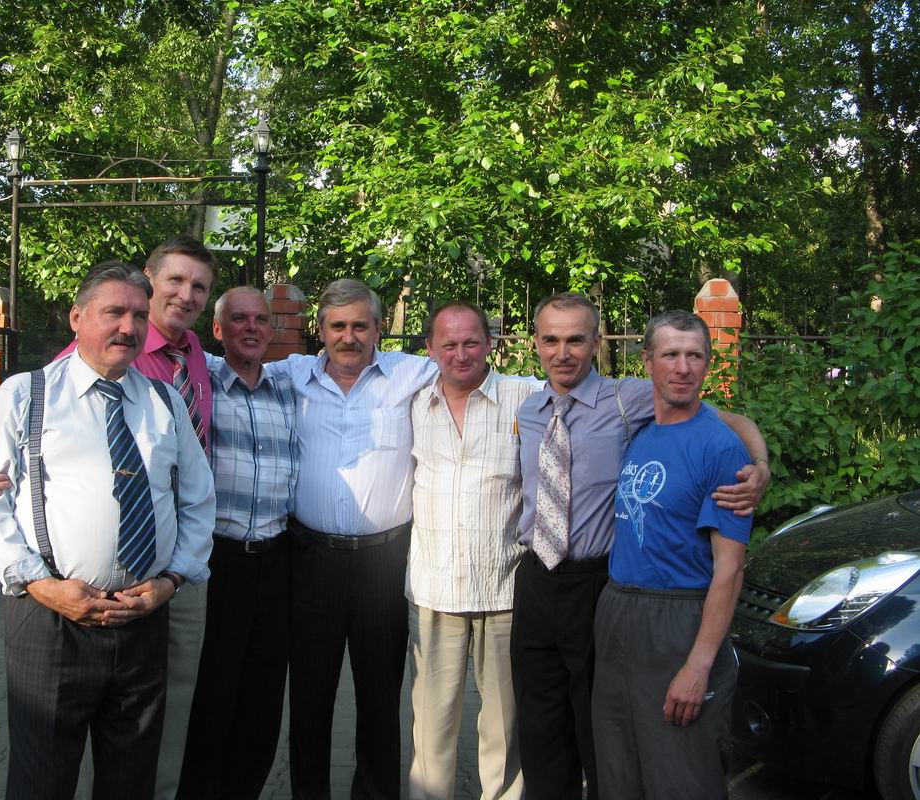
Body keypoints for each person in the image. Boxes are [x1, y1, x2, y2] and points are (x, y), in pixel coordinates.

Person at [0, 235, 217, 800]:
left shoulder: (165, 400)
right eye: (113, 313)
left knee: (130, 780)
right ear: (77, 318)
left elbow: (199, 500)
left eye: (138, 315)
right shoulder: (26, 395)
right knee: (42, 780)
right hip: (50, 619)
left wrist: (172, 581)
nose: (128, 327)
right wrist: (41, 584)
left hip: (142, 618)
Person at [511, 293, 770, 800]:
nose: (563, 352)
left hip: (598, 581)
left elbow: (728, 421)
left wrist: (759, 466)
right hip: (540, 581)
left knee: (611, 740)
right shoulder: (527, 406)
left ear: (597, 343)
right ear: (535, 344)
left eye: (576, 340)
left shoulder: (626, 400)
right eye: (551, 340)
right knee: (544, 733)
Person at [261, 278, 438, 800]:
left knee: (380, 697)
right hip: (310, 560)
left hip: (383, 563)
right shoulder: (290, 375)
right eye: (337, 326)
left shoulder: (411, 373)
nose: (348, 336)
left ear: (379, 329)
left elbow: (473, 369)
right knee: (309, 695)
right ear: (319, 330)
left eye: (360, 325)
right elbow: (223, 370)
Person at [591, 311, 752, 799]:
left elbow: (730, 567)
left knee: (682, 776)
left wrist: (699, 665)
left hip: (680, 619)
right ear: (647, 361)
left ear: (707, 364)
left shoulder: (721, 449)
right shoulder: (638, 431)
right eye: (670, 355)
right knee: (619, 772)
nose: (682, 367)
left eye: (694, 355)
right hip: (618, 613)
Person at [176, 286, 298, 800]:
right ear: (217, 329)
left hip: (276, 560)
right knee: (211, 691)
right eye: (239, 319)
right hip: (217, 561)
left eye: (260, 320)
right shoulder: (197, 379)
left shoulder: (290, 386)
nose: (251, 328)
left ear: (272, 329)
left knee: (263, 695)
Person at [407, 302, 531, 800]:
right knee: (431, 730)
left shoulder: (526, 396)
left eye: (471, 342)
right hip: (434, 591)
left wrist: (749, 447)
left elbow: (611, 402)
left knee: (504, 728)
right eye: (449, 344)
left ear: (490, 343)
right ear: (430, 349)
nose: (461, 354)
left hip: (504, 590)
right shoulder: (412, 403)